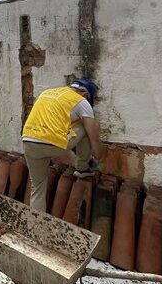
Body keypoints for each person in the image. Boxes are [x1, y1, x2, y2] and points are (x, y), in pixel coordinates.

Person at [22, 79, 102, 212]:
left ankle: (36, 227)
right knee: (87, 126)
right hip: (54, 144)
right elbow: (93, 135)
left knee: (37, 188)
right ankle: (82, 167)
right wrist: (98, 157)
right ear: (86, 95)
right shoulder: (81, 101)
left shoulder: (47, 92)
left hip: (28, 141)